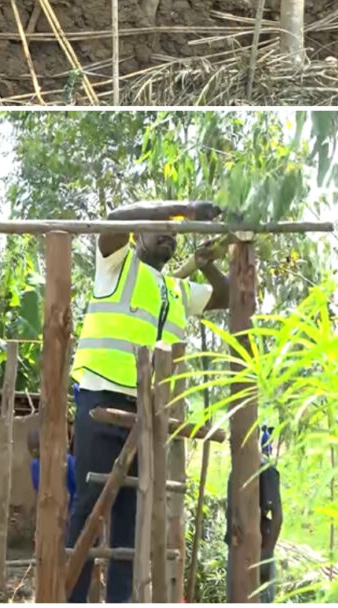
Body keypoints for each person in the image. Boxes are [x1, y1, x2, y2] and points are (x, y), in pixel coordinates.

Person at [64, 199, 228, 603]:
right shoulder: (115, 265)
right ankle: (71, 598)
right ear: (139, 234)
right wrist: (184, 210)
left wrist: (206, 262)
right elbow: (115, 219)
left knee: (131, 519)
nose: (169, 234)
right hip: (101, 396)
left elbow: (226, 296)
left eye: (174, 233)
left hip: (148, 413)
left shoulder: (175, 290)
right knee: (89, 507)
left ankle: (121, 601)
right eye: (161, 228)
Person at [226, 426, 284, 602]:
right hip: (237, 548)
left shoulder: (265, 470)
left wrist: (266, 555)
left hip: (258, 550)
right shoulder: (236, 471)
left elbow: (278, 516)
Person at [28, 426, 77, 506]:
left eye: (36, 447)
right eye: (33, 448)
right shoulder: (35, 465)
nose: (35, 451)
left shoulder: (66, 460)